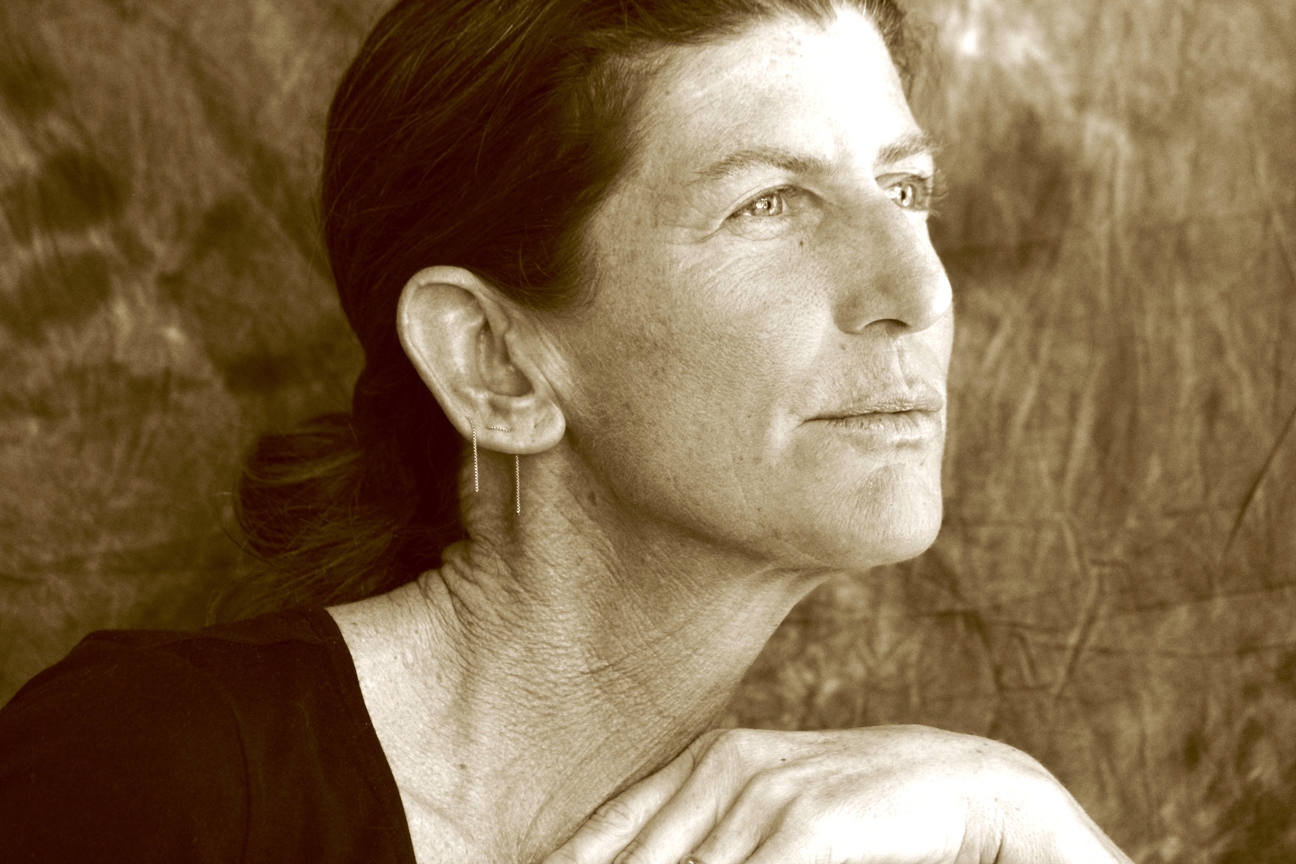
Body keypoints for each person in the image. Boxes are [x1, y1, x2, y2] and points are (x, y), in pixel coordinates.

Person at [0, 0, 1133, 862]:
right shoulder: (147, 774)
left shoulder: (877, 834)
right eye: (770, 205)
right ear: (492, 361)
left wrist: (1018, 817)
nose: (919, 291)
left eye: (907, 190)